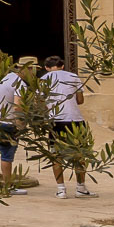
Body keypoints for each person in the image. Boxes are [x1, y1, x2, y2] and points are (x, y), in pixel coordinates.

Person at [41, 55, 96, 199]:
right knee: (79, 154)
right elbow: (80, 100)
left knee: (55, 155)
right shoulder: (73, 76)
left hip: (55, 120)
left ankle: (61, 189)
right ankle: (81, 187)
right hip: (74, 119)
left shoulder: (43, 80)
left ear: (46, 68)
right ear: (62, 66)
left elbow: (40, 102)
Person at [0, 56, 40, 194]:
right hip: (7, 122)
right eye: (33, 70)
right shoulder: (20, 84)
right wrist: (21, 124)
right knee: (6, 155)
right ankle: (8, 186)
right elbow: (18, 106)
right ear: (28, 69)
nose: (34, 74)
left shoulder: (5, 78)